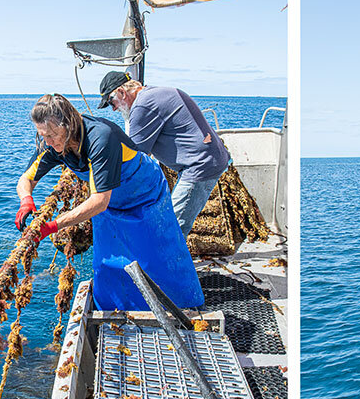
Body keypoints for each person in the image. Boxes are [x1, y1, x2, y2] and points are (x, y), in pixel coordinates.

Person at [14, 94, 204, 312]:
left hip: (144, 196)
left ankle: (184, 306)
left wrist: (54, 226)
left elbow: (98, 201)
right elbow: (26, 179)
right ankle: (117, 311)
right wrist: (26, 200)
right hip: (111, 204)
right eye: (43, 136)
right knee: (108, 263)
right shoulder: (54, 144)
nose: (47, 141)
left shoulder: (100, 138)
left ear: (68, 125)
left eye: (52, 135)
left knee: (158, 257)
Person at [99, 71, 230, 236]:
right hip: (209, 159)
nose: (113, 109)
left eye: (112, 102)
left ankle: (170, 261)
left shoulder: (142, 106)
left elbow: (134, 157)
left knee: (168, 230)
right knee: (171, 225)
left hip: (199, 165)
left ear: (122, 92)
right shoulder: (155, 93)